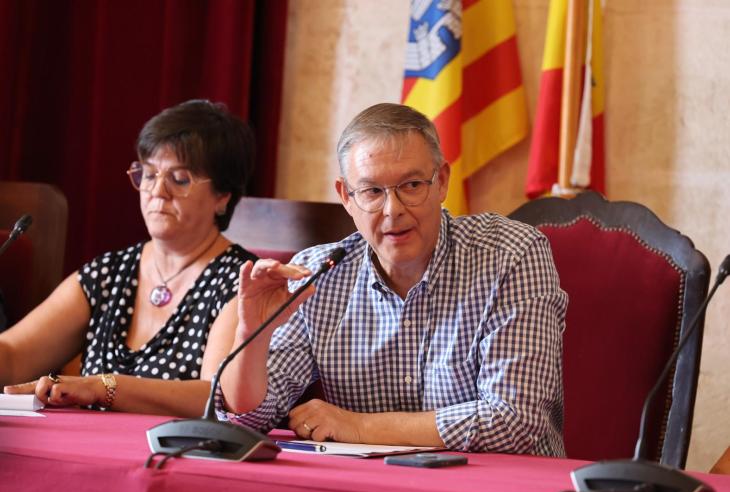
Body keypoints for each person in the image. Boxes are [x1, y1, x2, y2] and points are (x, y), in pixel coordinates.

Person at [217, 103, 568, 455]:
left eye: (411, 185)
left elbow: (513, 420)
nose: (392, 209)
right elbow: (249, 419)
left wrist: (358, 426)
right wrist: (252, 335)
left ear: (441, 181)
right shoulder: (318, 273)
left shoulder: (511, 255)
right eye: (372, 192)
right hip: (371, 482)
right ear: (346, 197)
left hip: (496, 480)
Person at [1, 99, 257, 417]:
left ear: (223, 197)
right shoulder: (109, 273)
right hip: (85, 442)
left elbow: (215, 394)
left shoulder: (243, 281)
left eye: (179, 179)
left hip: (173, 446)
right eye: (148, 174)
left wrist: (104, 387)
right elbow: (12, 356)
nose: (157, 191)